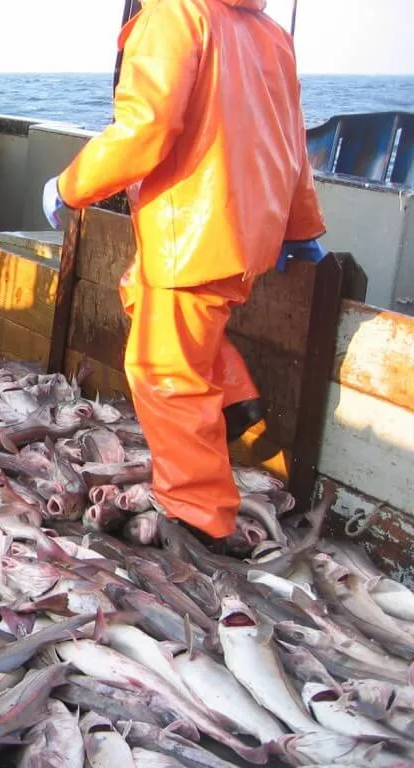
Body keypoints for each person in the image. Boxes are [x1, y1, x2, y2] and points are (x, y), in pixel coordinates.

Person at [41, 0, 326, 541]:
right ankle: (235, 402)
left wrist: (69, 186)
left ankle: (198, 518)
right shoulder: (269, 33)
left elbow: (144, 131)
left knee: (162, 371)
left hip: (193, 232)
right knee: (154, 306)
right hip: (245, 231)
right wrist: (300, 225)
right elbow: (292, 139)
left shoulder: (175, 14)